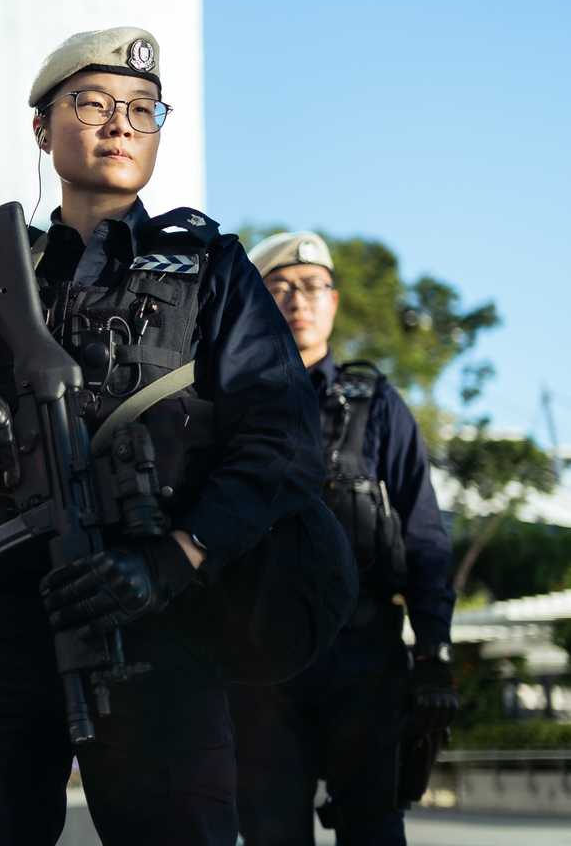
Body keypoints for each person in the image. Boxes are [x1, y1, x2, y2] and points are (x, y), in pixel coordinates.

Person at [0, 27, 331, 845]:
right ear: (43, 129)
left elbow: (284, 440)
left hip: (152, 617)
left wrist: (177, 557)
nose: (120, 125)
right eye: (92, 103)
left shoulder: (211, 269)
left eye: (141, 109)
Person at [230, 232, 457, 845]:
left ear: (333, 301)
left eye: (311, 287)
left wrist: (434, 652)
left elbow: (425, 535)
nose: (297, 301)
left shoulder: (379, 406)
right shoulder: (230, 406)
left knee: (373, 829)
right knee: (270, 831)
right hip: (261, 662)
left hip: (365, 658)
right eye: (279, 289)